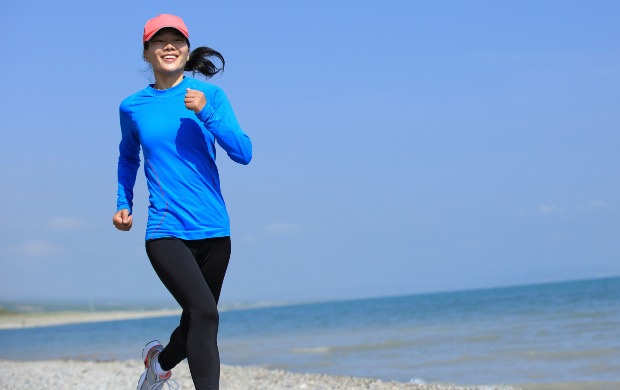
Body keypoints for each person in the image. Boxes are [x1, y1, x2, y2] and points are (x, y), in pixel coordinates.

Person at [112, 14, 252, 390]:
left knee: (196, 319)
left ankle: (158, 366)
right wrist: (123, 200)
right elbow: (129, 157)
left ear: (187, 50)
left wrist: (205, 112)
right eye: (160, 41)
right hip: (165, 230)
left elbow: (243, 152)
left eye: (177, 40)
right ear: (147, 52)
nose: (169, 46)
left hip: (214, 229)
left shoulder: (211, 97)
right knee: (206, 313)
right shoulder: (133, 107)